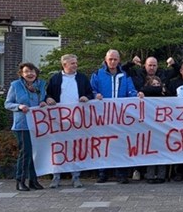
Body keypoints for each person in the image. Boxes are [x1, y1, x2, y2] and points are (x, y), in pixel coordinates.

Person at [90, 49, 142, 184]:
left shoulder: (125, 75)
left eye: (115, 59)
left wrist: (136, 96)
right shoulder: (97, 74)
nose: (112, 62)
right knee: (103, 144)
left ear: (119, 60)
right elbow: (91, 90)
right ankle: (103, 173)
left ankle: (121, 173)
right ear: (106, 59)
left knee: (121, 144)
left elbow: (130, 90)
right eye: (110, 59)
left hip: (121, 117)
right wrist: (96, 95)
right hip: (103, 116)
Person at [44, 54, 94, 189]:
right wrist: (48, 99)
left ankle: (76, 176)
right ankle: (56, 176)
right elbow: (47, 94)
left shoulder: (82, 78)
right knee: (57, 148)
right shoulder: (55, 79)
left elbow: (91, 93)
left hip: (77, 120)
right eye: (72, 63)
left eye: (76, 63)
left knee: (75, 148)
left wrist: (86, 97)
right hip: (58, 120)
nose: (75, 65)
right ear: (64, 65)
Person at [4, 62, 47, 191]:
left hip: (38, 124)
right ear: (22, 74)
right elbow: (7, 103)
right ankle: (20, 180)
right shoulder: (16, 86)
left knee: (36, 153)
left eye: (32, 71)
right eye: (27, 71)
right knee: (26, 152)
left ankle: (33, 180)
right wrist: (19, 107)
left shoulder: (41, 85)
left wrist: (44, 102)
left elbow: (43, 98)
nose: (30, 74)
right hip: (22, 125)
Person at [140, 75, 167, 183]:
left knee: (162, 151)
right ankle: (150, 175)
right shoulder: (145, 93)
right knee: (150, 152)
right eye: (153, 85)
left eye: (158, 84)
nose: (156, 87)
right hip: (150, 127)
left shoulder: (166, 94)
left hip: (163, 127)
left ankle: (161, 175)